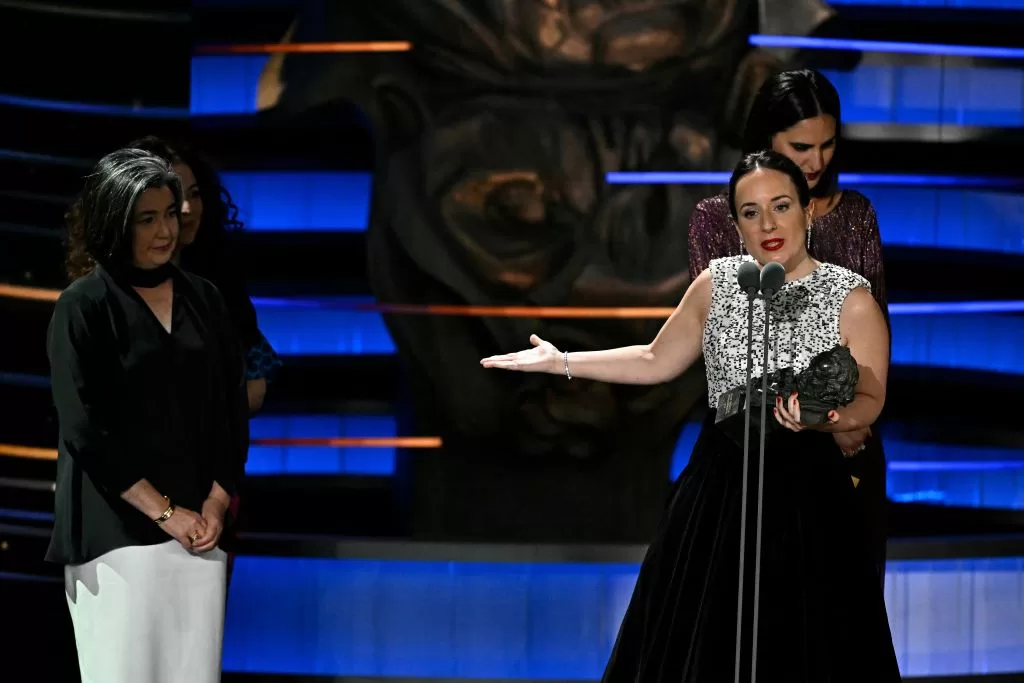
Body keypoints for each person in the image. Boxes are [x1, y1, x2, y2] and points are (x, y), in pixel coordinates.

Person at [482, 151, 900, 681]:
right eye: (750, 212)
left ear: (808, 211)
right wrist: (562, 361)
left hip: (808, 497)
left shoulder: (851, 298)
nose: (767, 224)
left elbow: (872, 398)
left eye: (780, 206)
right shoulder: (719, 283)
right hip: (717, 495)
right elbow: (656, 359)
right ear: (735, 222)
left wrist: (821, 418)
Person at [48, 148, 249, 683]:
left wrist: (214, 501)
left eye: (170, 213)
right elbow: (85, 430)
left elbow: (232, 411)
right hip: (116, 534)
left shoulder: (206, 299)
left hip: (202, 531)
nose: (167, 229)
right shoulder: (83, 306)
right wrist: (167, 514)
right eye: (148, 218)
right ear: (115, 222)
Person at [687, 68, 889, 581]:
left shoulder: (856, 213)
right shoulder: (716, 220)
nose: (817, 161)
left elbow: (871, 329)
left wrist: (848, 420)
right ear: (767, 139)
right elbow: (722, 339)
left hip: (847, 445)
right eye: (801, 145)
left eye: (828, 144)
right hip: (750, 449)